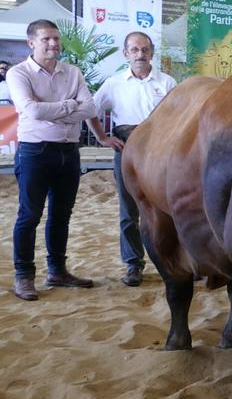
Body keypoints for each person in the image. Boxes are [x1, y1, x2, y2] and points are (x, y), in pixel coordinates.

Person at [7, 19, 98, 300]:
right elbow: (31, 112)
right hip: (35, 152)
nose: (53, 44)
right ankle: (23, 276)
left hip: (69, 152)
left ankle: (57, 271)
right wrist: (71, 105)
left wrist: (54, 109)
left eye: (56, 39)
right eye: (46, 39)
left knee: (61, 215)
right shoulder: (18, 73)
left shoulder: (73, 72)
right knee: (29, 215)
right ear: (31, 43)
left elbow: (90, 108)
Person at [84, 32, 178, 287]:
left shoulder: (168, 82)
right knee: (129, 212)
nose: (140, 54)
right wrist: (103, 138)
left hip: (161, 156)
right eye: (134, 50)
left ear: (152, 53)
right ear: (125, 53)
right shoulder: (114, 83)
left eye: (145, 50)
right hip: (126, 154)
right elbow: (90, 110)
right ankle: (133, 264)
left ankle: (175, 262)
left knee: (168, 209)